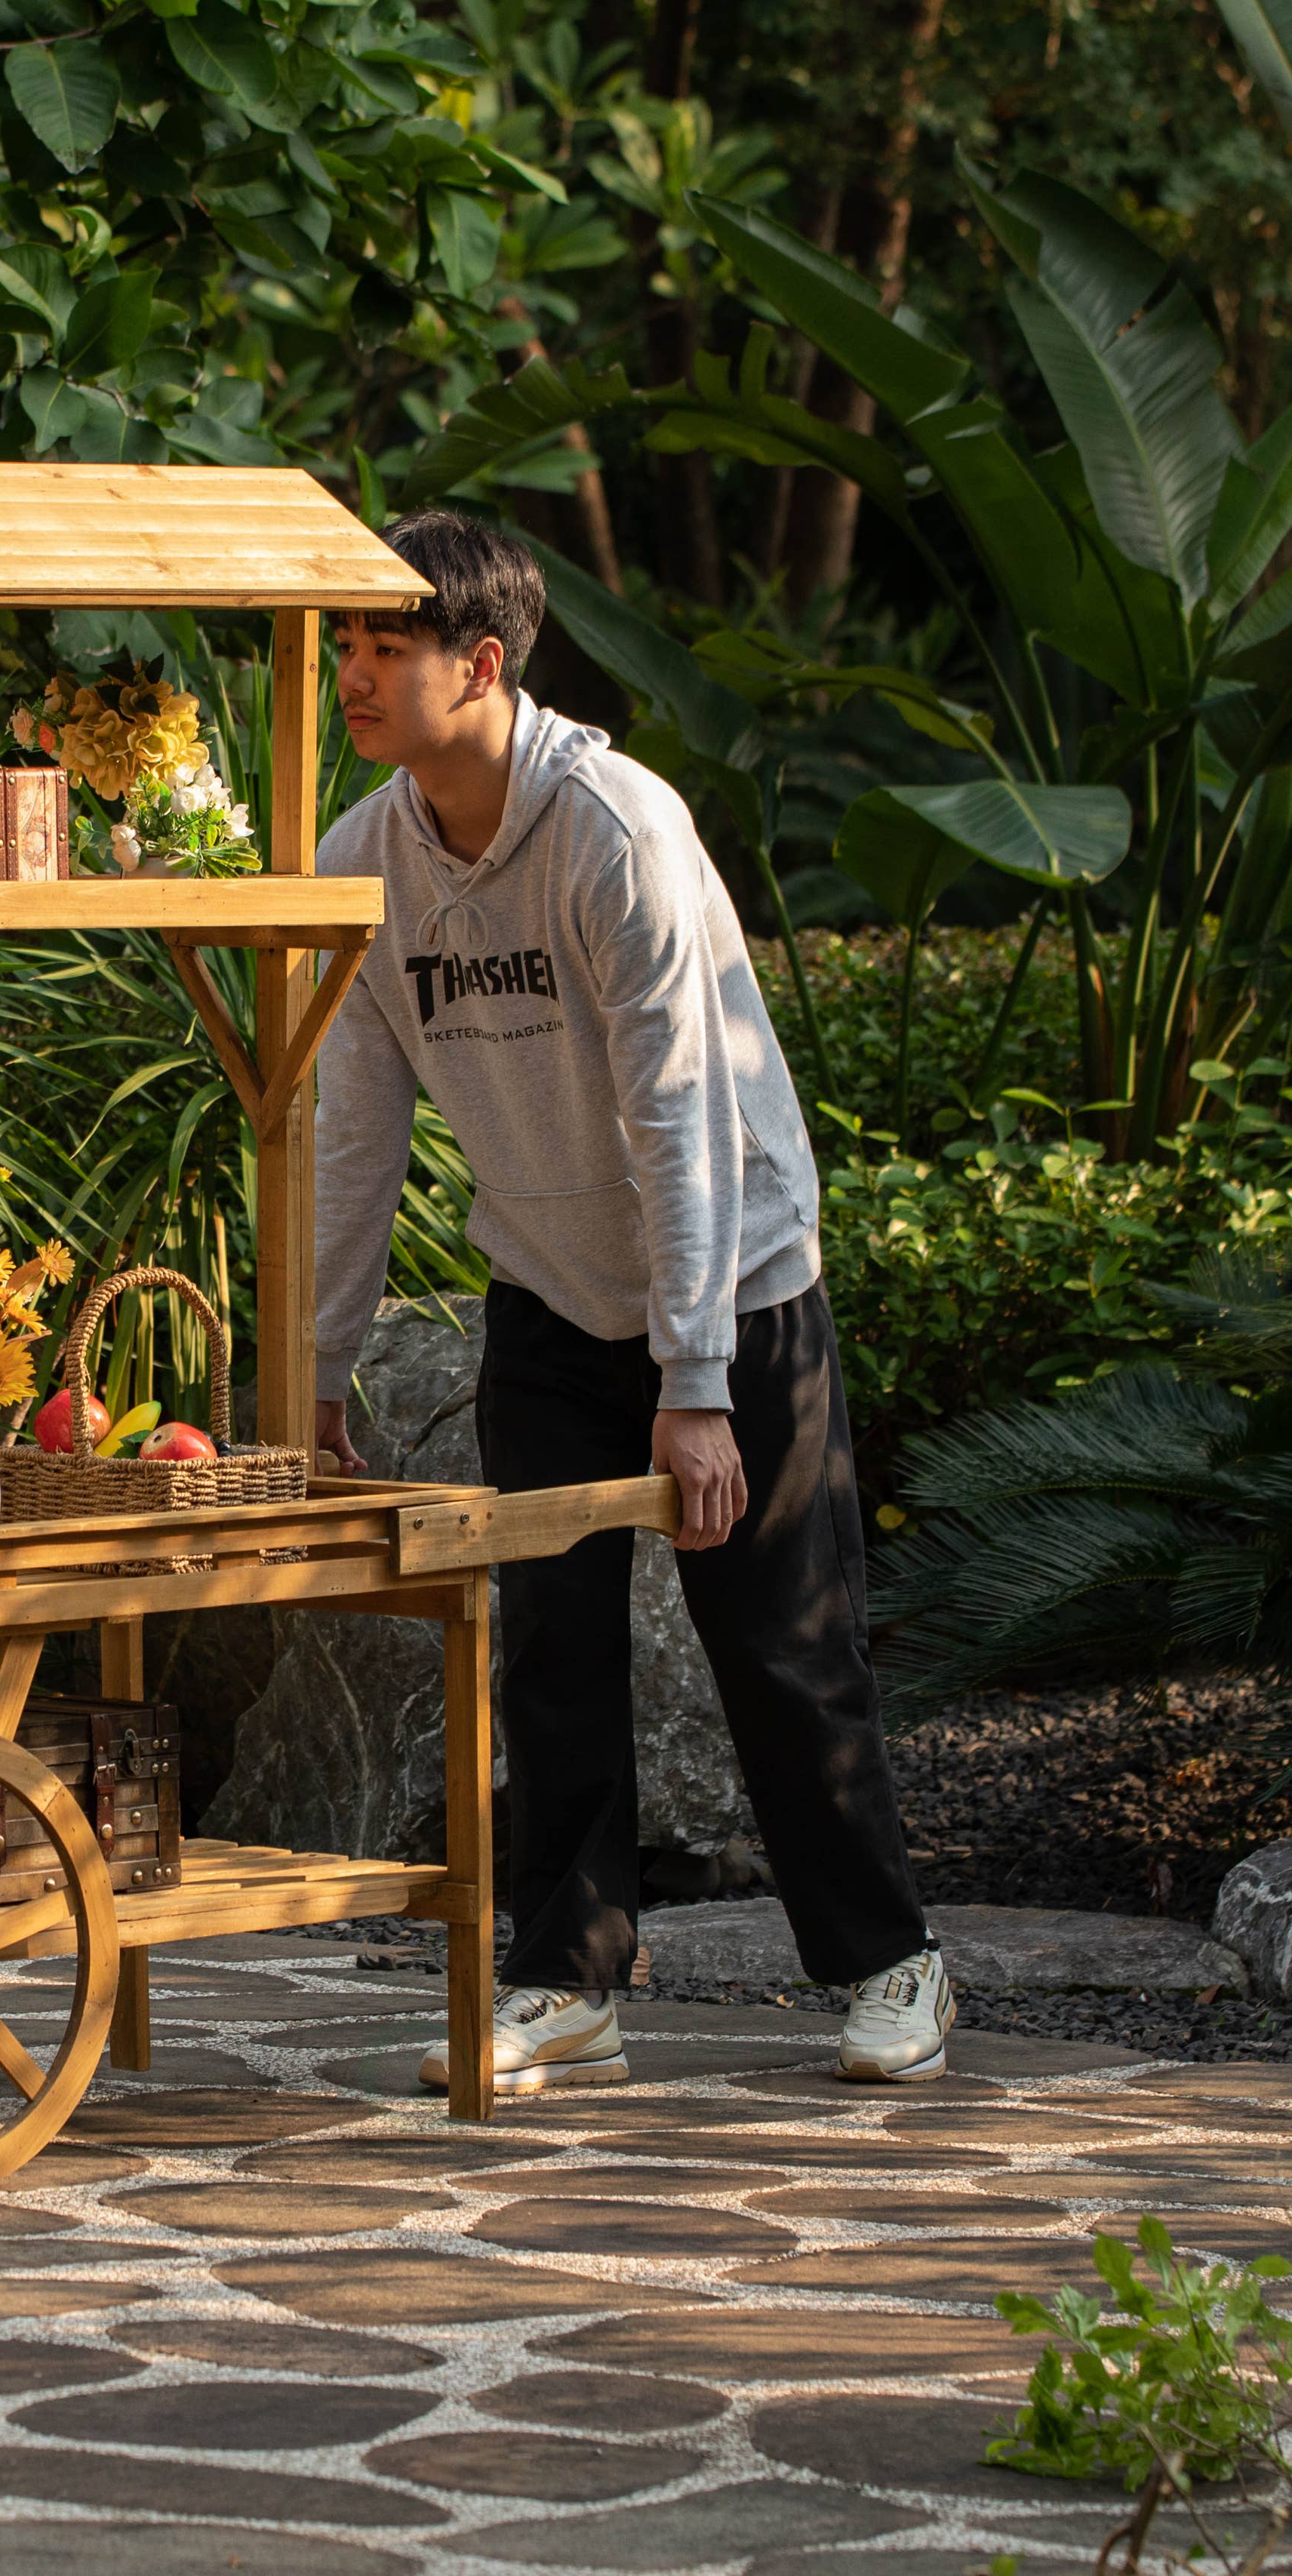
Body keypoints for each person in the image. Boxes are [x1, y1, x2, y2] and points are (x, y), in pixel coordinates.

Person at [312, 508, 950, 2091]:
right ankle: (567, 1980)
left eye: (382, 648)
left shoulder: (615, 830)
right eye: (341, 647)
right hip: (543, 1288)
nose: (352, 676)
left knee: (779, 1644)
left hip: (732, 1283)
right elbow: (350, 1128)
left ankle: (889, 1965)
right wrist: (317, 1367)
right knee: (551, 1644)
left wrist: (696, 1376)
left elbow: (683, 1116)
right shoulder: (359, 860)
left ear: (483, 660)